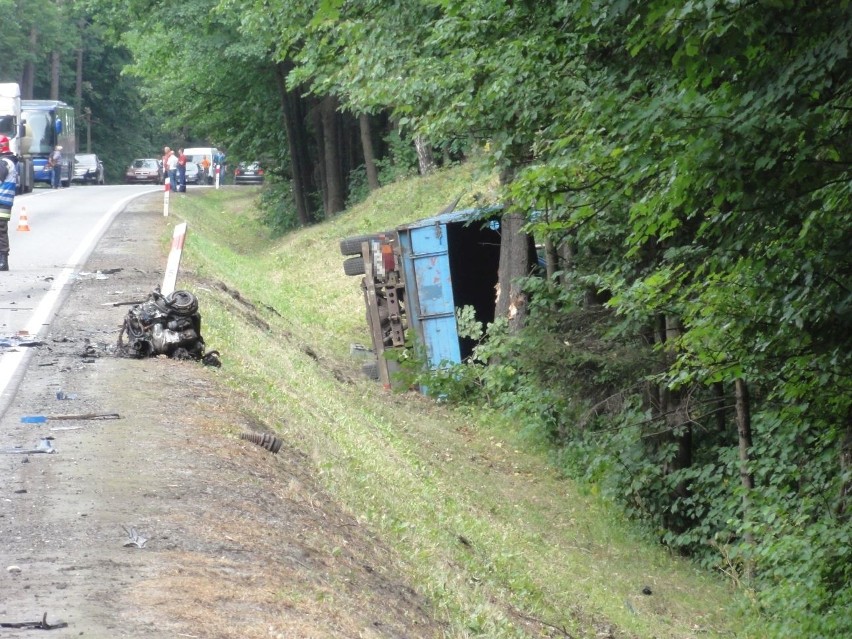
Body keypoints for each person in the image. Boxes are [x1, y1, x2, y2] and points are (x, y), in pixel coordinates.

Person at [0, 135, 17, 271]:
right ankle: (3, 260)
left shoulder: (3, 162)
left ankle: (3, 261)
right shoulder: (9, 161)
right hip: (6, 202)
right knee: (1, 230)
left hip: (2, 201)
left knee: (1, 230)